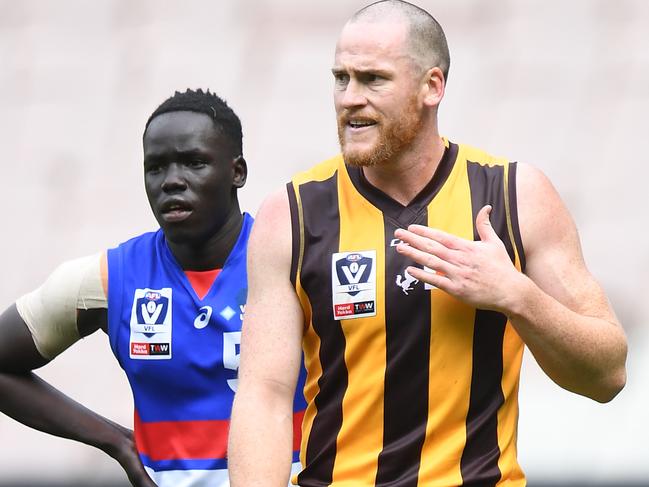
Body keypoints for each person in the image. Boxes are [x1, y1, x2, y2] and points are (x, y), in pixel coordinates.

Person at [228, 1, 628, 486]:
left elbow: (607, 375)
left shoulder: (515, 196)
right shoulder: (290, 214)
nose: (349, 97)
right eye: (341, 78)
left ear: (431, 87)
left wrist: (516, 295)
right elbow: (264, 396)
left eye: (373, 79)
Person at [0, 88, 305, 487]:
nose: (172, 181)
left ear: (237, 172)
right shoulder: (111, 278)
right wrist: (116, 441)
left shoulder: (297, 260)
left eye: (194, 162)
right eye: (156, 167)